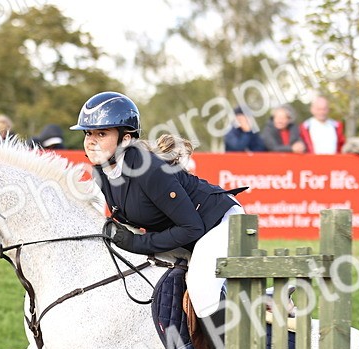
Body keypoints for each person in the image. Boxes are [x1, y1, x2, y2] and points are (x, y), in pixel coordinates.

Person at [72, 91, 244, 326]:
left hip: (220, 223)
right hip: (190, 233)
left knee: (201, 288)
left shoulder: (149, 169)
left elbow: (192, 228)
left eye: (101, 133)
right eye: (88, 133)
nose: (91, 141)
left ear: (126, 139)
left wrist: (137, 243)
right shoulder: (102, 171)